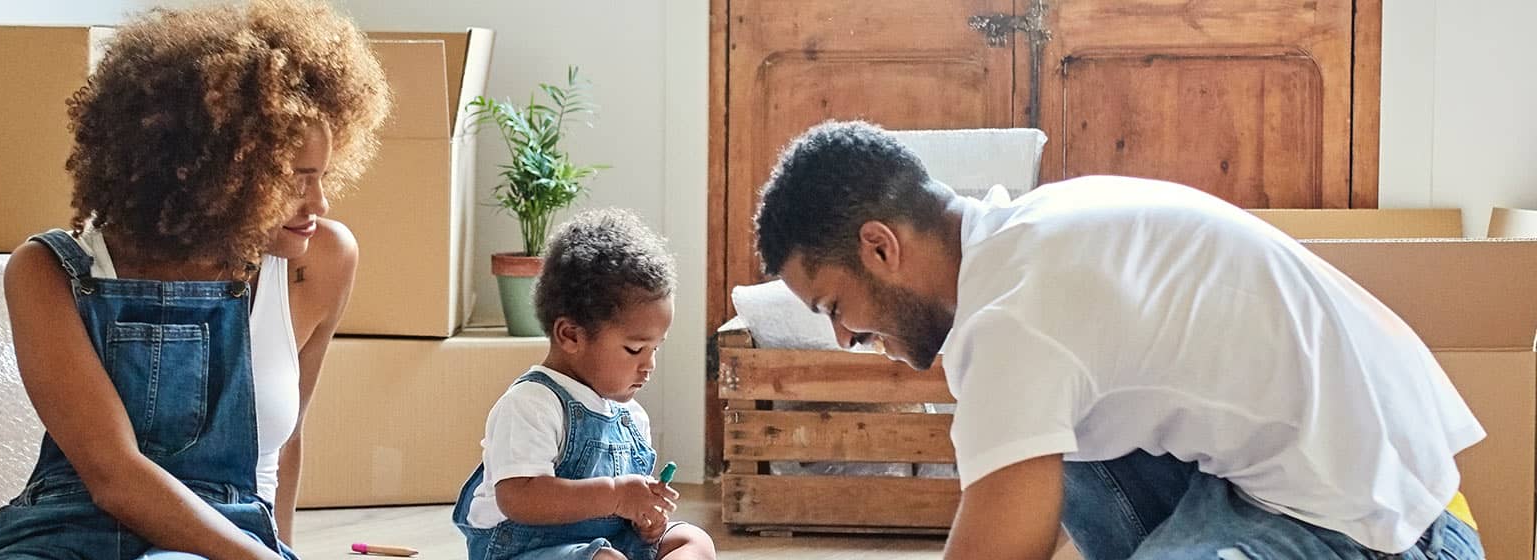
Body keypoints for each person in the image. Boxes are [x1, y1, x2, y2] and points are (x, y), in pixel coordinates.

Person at [751, 120, 1486, 559]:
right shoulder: (1032, 234)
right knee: (1027, 439)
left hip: (1383, 531)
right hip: (1354, 473)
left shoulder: (1013, 314)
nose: (845, 337)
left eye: (834, 305)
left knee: (1017, 441)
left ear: (880, 248)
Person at [0, 1, 388, 558]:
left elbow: (283, 449)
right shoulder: (48, 271)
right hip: (64, 530)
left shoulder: (321, 262)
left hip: (230, 534)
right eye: (294, 180)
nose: (319, 202)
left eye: (323, 176)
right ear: (217, 172)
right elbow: (114, 476)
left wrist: (278, 548)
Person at [451, 209, 718, 560]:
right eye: (635, 349)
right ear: (571, 335)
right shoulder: (532, 403)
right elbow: (518, 496)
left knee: (694, 540)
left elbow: (624, 518)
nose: (648, 365)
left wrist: (645, 519)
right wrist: (616, 494)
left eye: (655, 349)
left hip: (607, 548)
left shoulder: (631, 418)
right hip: (527, 551)